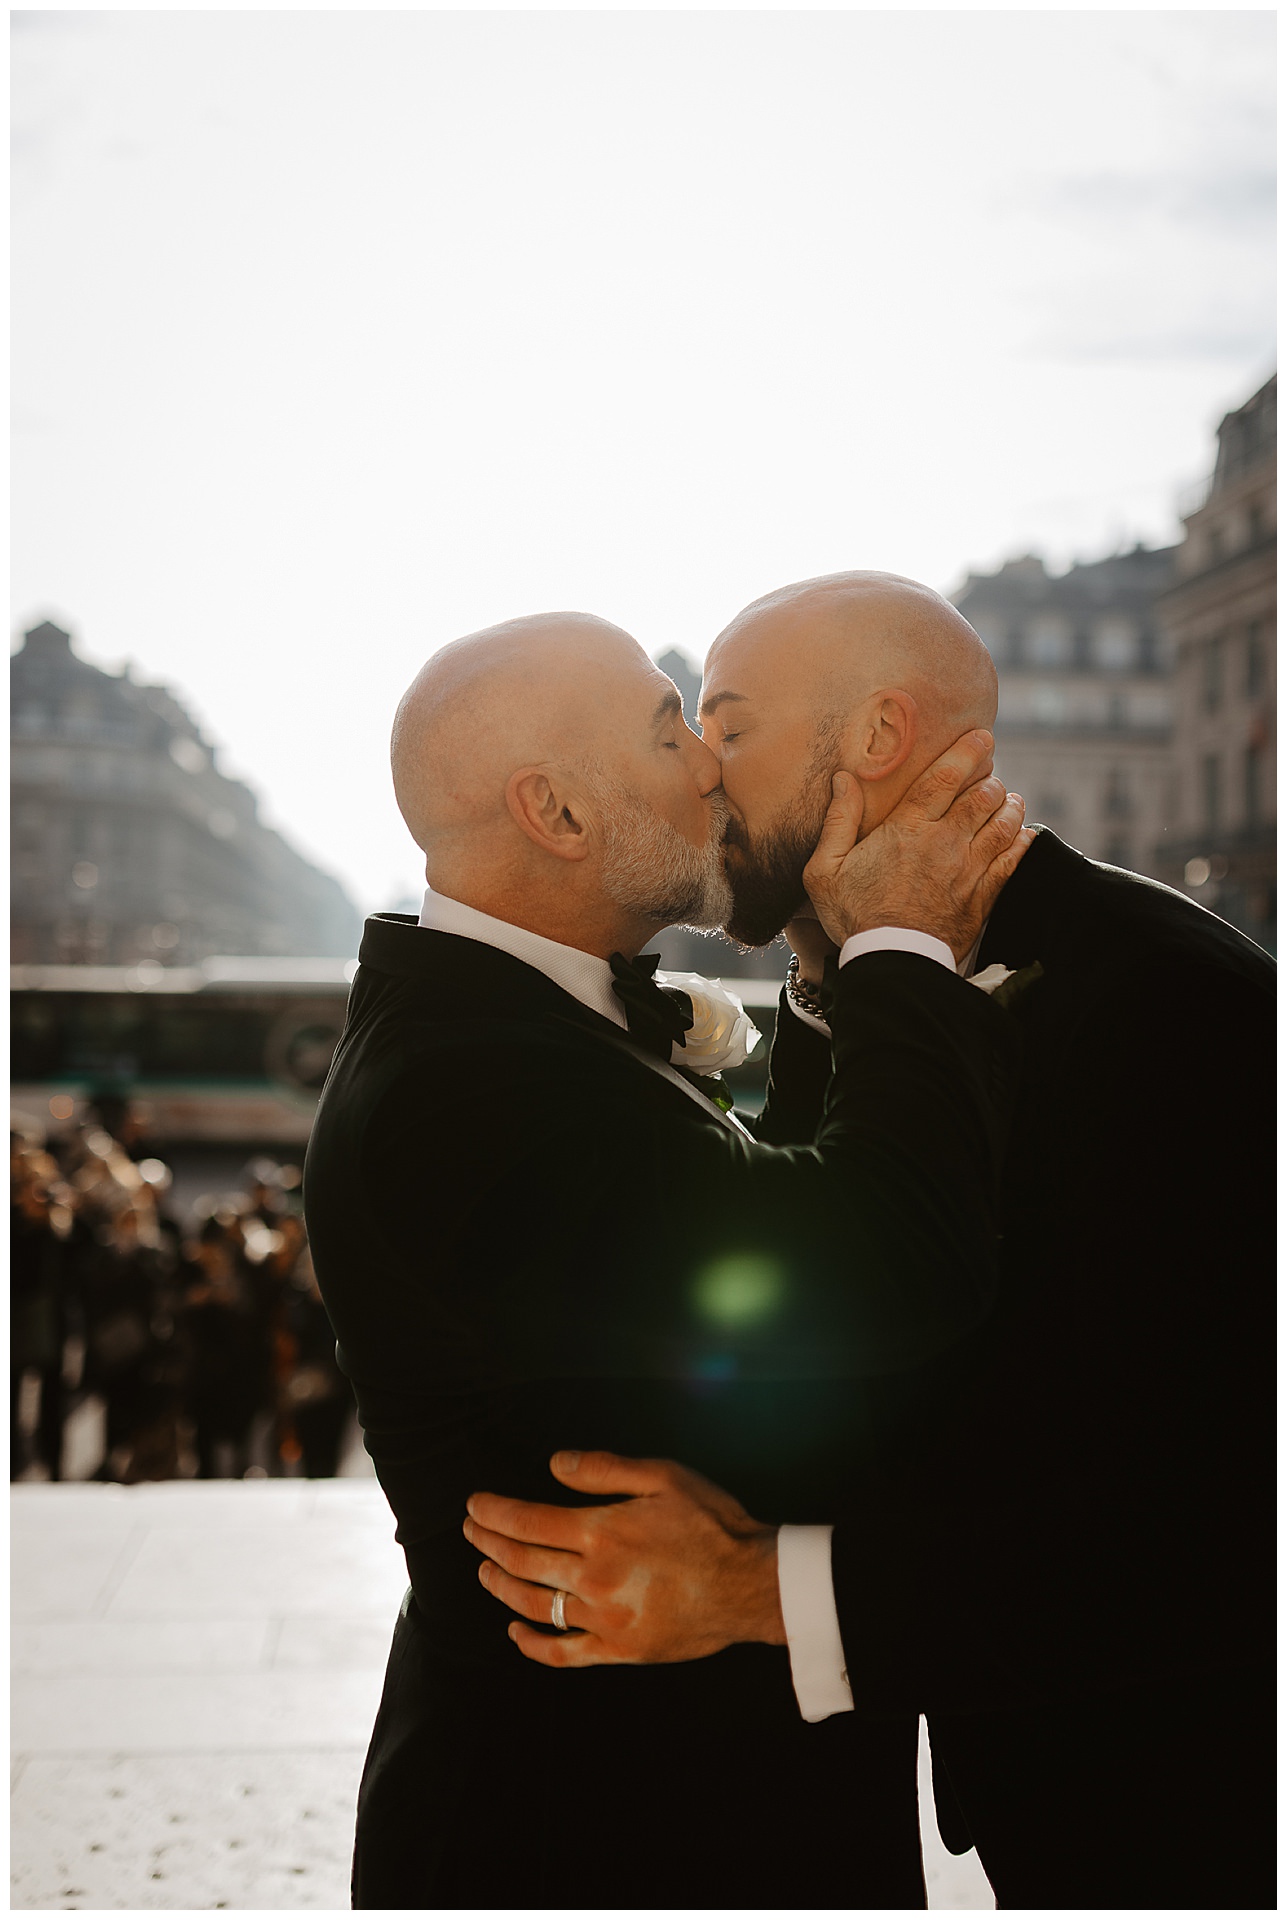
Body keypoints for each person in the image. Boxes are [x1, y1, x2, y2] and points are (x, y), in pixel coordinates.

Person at [468, 573, 1275, 1911]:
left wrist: (760, 1591)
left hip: (1203, 1801)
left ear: (878, 741)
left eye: (726, 724)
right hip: (1047, 1780)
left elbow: (1224, 1521)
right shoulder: (863, 993)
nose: (698, 771)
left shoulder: (1176, 1009)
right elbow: (817, 1311)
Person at [302, 609, 1032, 1910]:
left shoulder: (502, 1032)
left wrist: (815, 985)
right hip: (600, 1832)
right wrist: (900, 947)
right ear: (558, 814)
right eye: (666, 729)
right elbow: (883, 1269)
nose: (707, 761)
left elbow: (744, 1227)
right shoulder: (464, 1090)